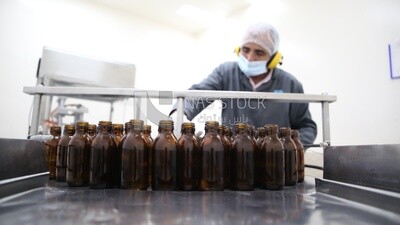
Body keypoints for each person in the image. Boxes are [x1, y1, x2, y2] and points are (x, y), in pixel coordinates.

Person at [170, 22, 317, 145]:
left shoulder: (290, 84)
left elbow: (306, 127)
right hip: (232, 158)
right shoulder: (226, 72)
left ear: (273, 58)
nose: (250, 58)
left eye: (259, 53)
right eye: (245, 50)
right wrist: (179, 113)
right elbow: (196, 95)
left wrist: (290, 148)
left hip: (274, 161)